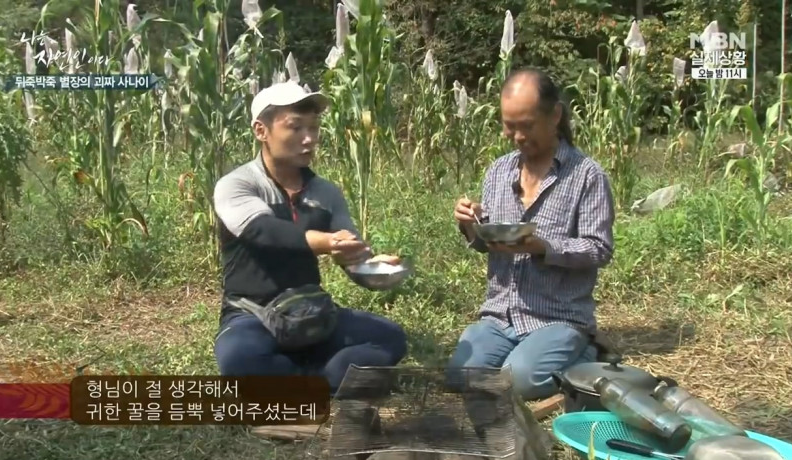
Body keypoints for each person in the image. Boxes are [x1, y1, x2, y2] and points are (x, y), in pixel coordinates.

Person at [212, 81, 408, 396]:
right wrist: (326, 242)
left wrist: (371, 265)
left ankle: (301, 383)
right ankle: (329, 380)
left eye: (314, 129)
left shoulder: (326, 193)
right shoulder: (236, 184)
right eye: (296, 128)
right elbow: (261, 230)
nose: (309, 139)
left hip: (311, 310)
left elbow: (350, 252)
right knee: (239, 358)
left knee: (390, 338)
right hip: (253, 314)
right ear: (261, 131)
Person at [447, 67, 615, 402]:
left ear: (554, 116)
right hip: (500, 315)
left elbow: (599, 249)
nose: (518, 136)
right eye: (510, 126)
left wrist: (544, 248)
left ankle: (586, 354)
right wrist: (471, 223)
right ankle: (533, 358)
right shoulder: (499, 171)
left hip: (557, 316)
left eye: (526, 126)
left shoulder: (587, 177)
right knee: (458, 375)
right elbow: (486, 243)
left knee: (518, 382)